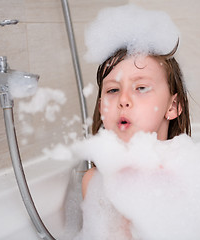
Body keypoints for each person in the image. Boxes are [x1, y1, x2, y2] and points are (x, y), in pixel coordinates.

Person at [82, 43, 191, 198]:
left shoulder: (188, 176)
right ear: (101, 109)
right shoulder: (94, 181)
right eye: (113, 90)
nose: (123, 99)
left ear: (172, 106)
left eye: (141, 88)